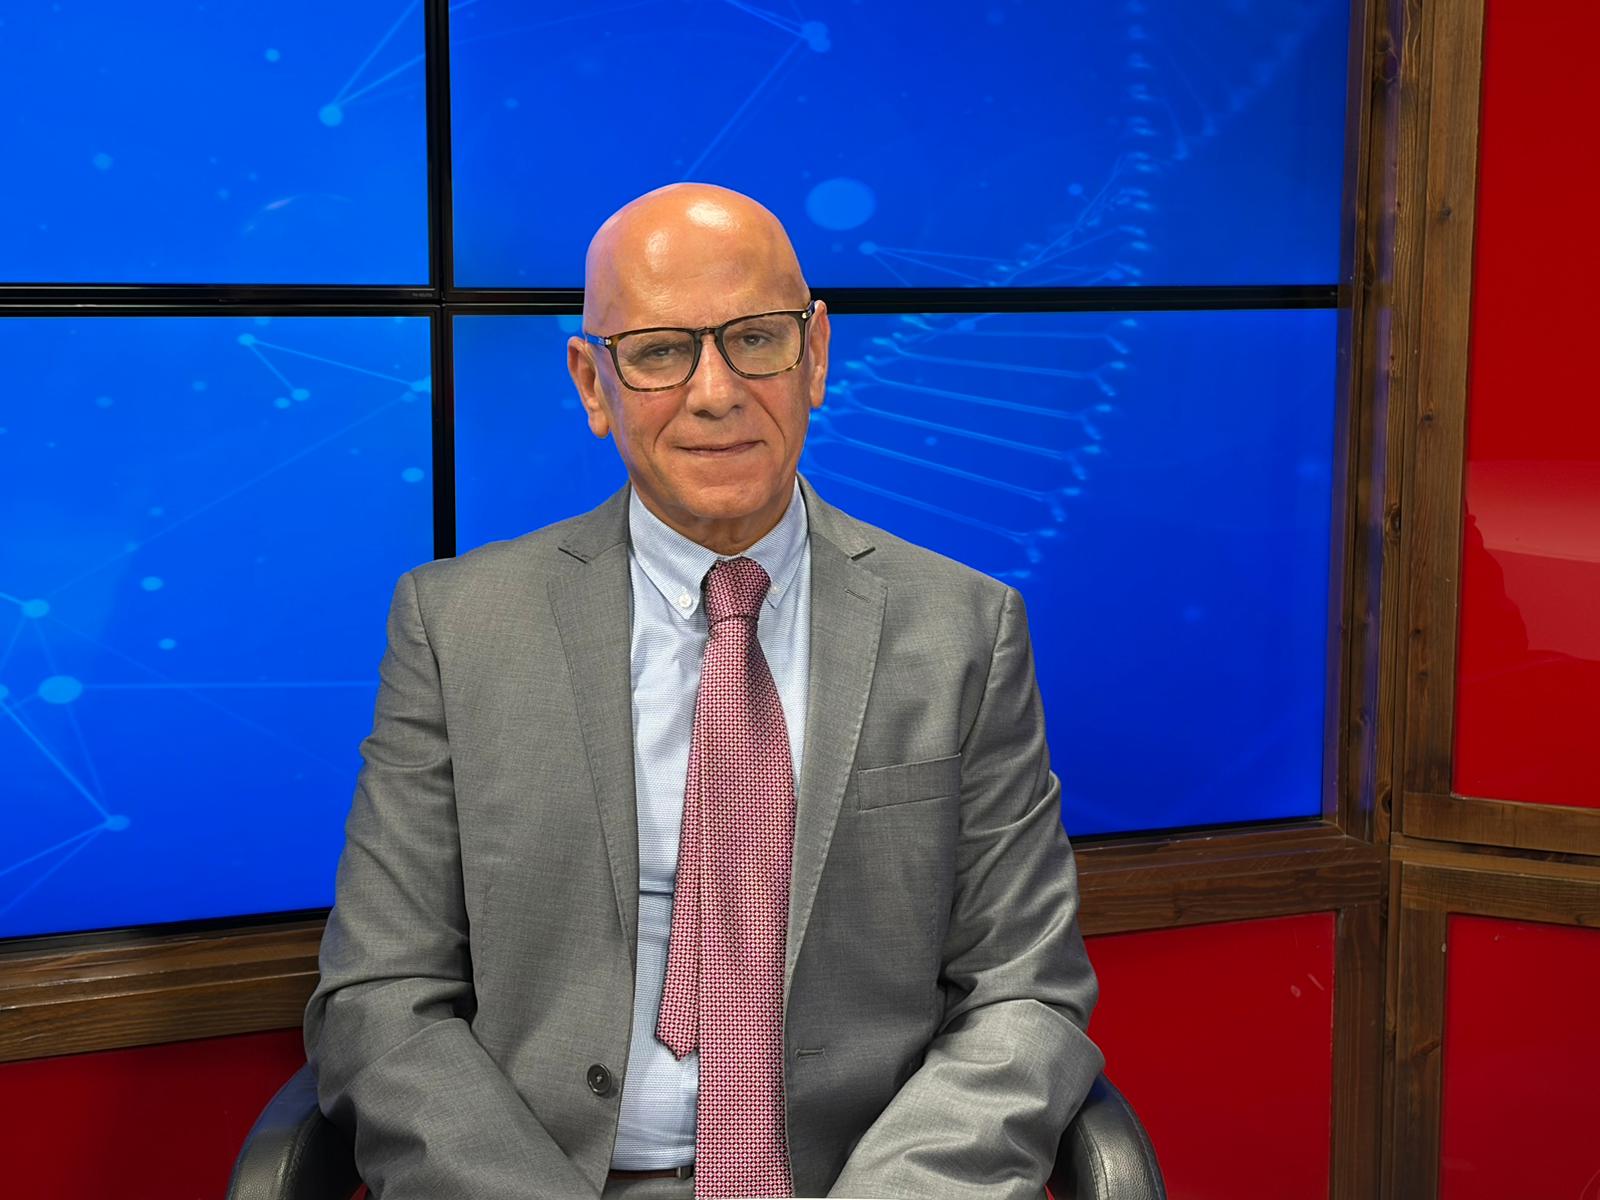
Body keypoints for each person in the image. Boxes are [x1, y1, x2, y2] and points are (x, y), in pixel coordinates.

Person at [305, 183, 1103, 1200]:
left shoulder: (964, 629)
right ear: (593, 383)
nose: (716, 392)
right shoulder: (456, 627)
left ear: (816, 354)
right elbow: (382, 997)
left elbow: (1024, 995)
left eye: (755, 339)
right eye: (658, 351)